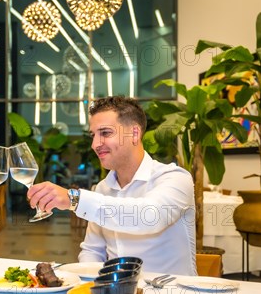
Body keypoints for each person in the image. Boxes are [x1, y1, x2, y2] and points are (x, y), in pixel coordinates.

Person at [28, 96, 196, 275]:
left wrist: (73, 199)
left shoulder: (175, 178)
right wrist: (91, 287)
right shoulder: (102, 188)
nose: (95, 144)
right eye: (93, 135)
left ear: (134, 134)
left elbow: (150, 216)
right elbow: (93, 251)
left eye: (106, 133)